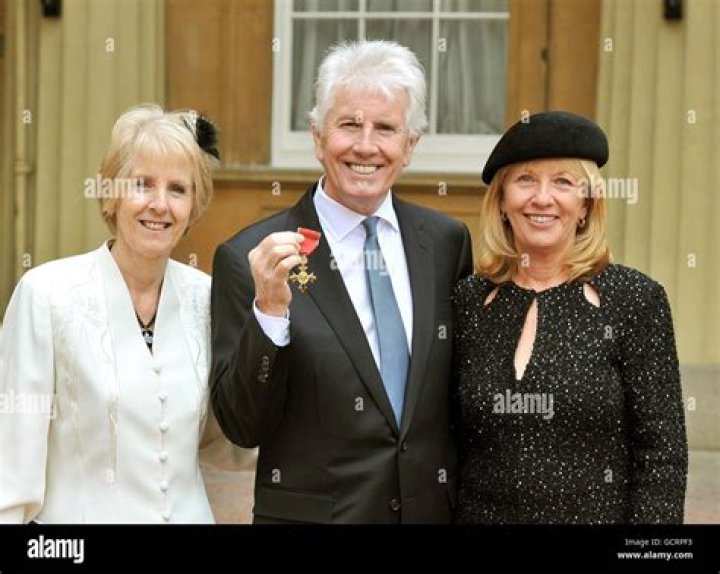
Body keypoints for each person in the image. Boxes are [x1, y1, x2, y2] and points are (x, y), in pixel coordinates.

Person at [210, 40, 473, 523]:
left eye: (386, 128)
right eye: (349, 124)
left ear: (410, 146)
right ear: (318, 137)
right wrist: (270, 313)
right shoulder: (251, 257)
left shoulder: (445, 244)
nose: (365, 146)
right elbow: (242, 426)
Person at [452, 111, 688, 524]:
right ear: (502, 202)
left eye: (563, 182)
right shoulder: (469, 300)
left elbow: (662, 456)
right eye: (525, 180)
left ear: (586, 205)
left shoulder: (634, 299)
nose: (542, 198)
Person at [0, 104, 225, 523]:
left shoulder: (209, 297)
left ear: (194, 205)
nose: (160, 204)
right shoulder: (45, 295)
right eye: (142, 184)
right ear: (111, 193)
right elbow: (10, 472)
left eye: (178, 189)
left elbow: (230, 442)